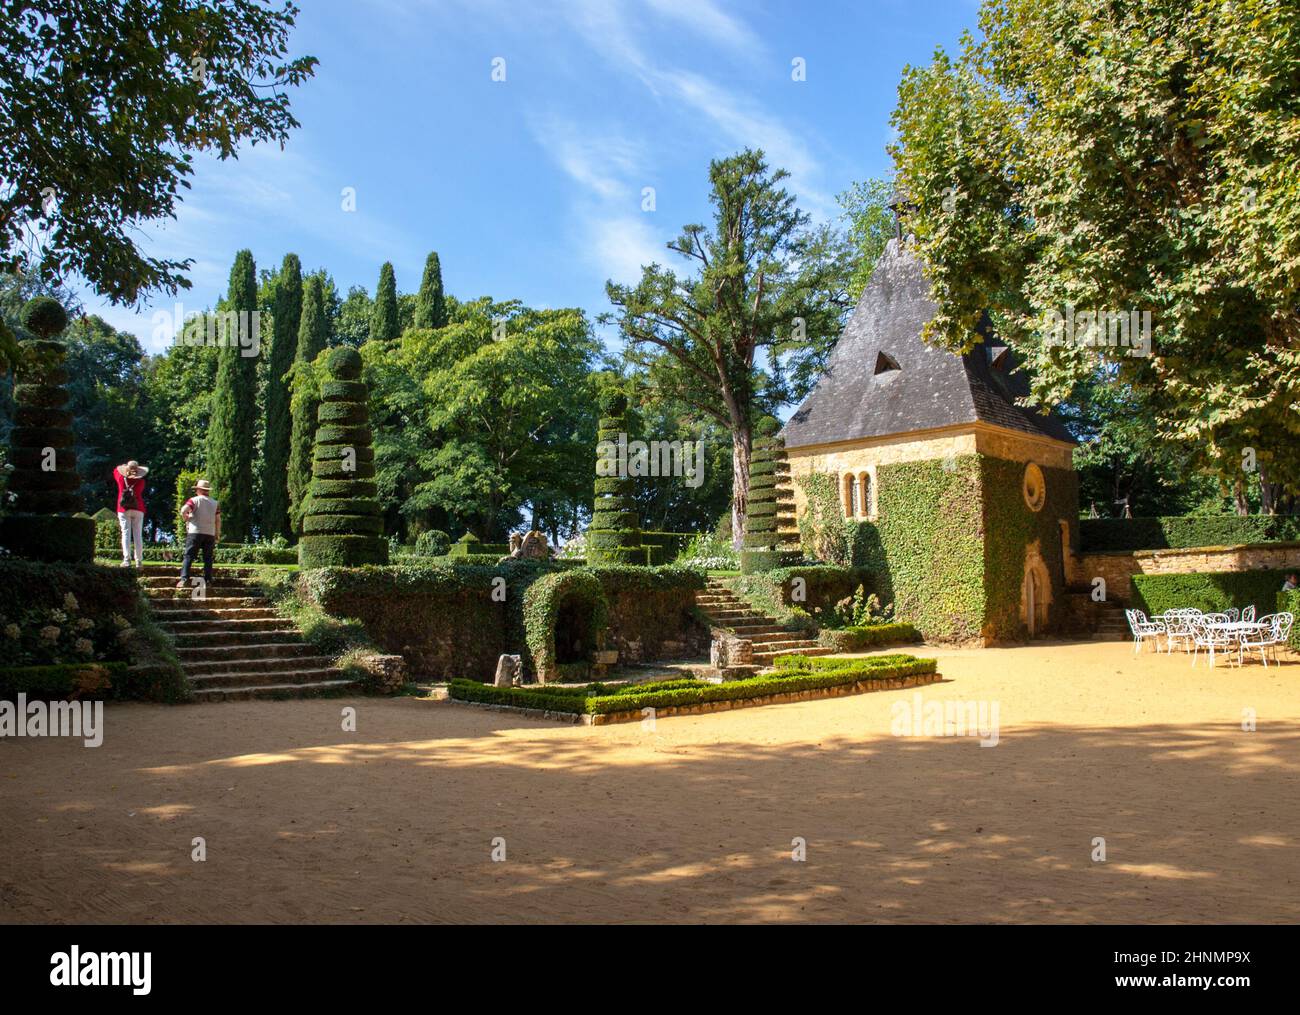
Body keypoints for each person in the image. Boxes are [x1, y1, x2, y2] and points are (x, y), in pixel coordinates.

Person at [178, 479, 221, 589]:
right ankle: (208, 580)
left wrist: (186, 518)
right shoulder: (215, 503)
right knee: (208, 558)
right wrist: (217, 533)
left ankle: (184, 579)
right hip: (209, 533)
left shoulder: (194, 500)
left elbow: (183, 510)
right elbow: (218, 520)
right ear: (207, 491)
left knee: (189, 556)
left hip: (195, 532)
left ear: (198, 490)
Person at [113, 460, 148, 567]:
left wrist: (123, 467)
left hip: (123, 509)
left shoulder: (120, 479)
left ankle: (127, 559)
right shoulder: (141, 482)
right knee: (138, 535)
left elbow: (115, 471)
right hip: (138, 508)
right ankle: (139, 561)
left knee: (126, 533)